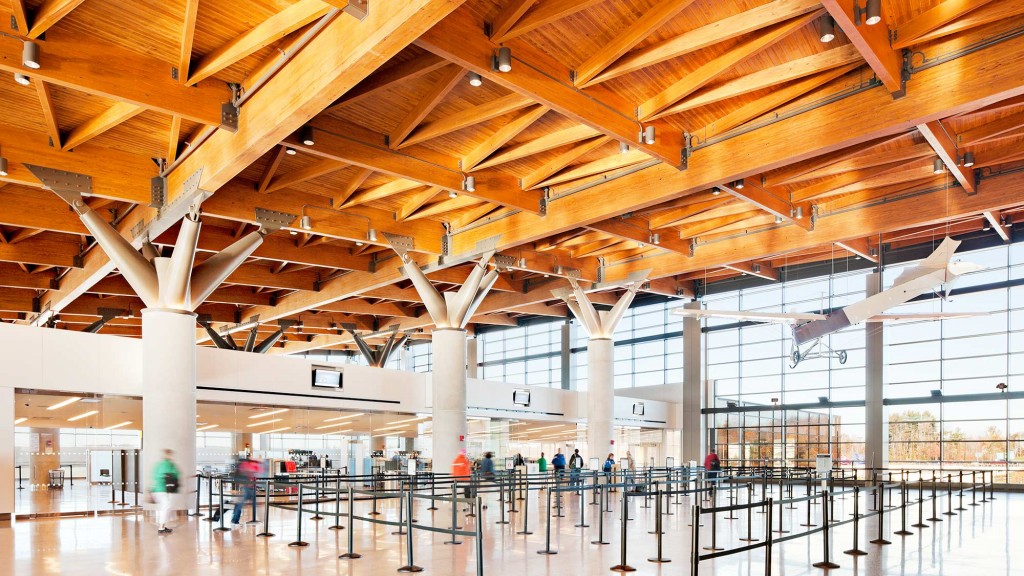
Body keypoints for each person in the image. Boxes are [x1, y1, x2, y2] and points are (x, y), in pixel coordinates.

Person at [150, 449, 180, 534]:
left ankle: (162, 526)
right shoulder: (169, 464)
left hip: (157, 490)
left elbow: (153, 476)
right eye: (170, 454)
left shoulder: (158, 465)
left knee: (165, 507)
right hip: (165, 490)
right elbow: (177, 474)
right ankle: (161, 527)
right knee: (166, 507)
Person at [231, 457, 259, 527]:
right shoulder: (245, 465)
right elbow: (247, 475)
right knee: (241, 504)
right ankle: (235, 519)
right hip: (246, 487)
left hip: (247, 487)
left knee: (241, 503)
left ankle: (235, 519)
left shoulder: (242, 465)